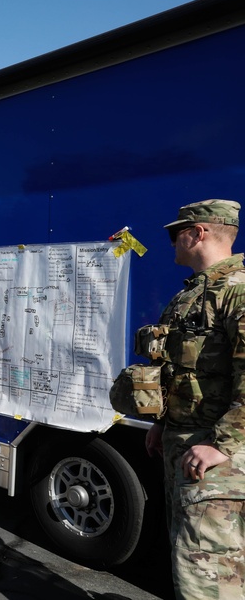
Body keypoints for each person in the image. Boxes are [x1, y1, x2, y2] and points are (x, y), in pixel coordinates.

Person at [140, 200, 245, 600]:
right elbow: (180, 370)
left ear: (198, 232)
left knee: (209, 580)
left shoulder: (235, 291)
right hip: (184, 444)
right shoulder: (195, 294)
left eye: (175, 234)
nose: (171, 245)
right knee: (190, 563)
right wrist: (161, 422)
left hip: (215, 458)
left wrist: (220, 444)